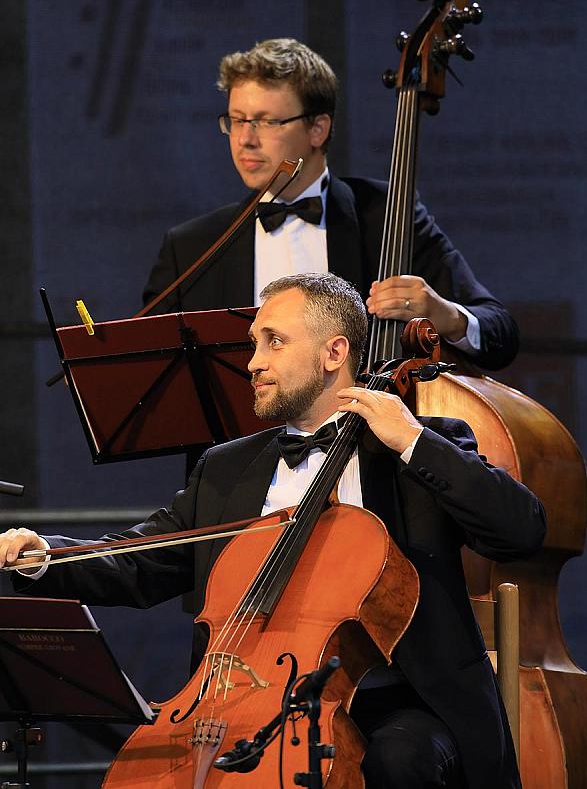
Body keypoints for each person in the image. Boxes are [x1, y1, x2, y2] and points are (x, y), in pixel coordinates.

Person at [1, 273, 545, 788]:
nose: (253, 363)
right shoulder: (226, 467)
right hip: (245, 699)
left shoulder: (417, 445)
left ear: (335, 353)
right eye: (253, 343)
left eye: (274, 342)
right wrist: (47, 556)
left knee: (399, 760)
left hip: (399, 697)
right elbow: (145, 557)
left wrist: (411, 442)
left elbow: (521, 531)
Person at [143, 37, 519, 372]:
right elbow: (146, 370)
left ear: (317, 129)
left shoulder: (386, 215)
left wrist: (446, 315)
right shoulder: (192, 247)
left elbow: (499, 331)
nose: (245, 139)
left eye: (266, 122)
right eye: (237, 120)